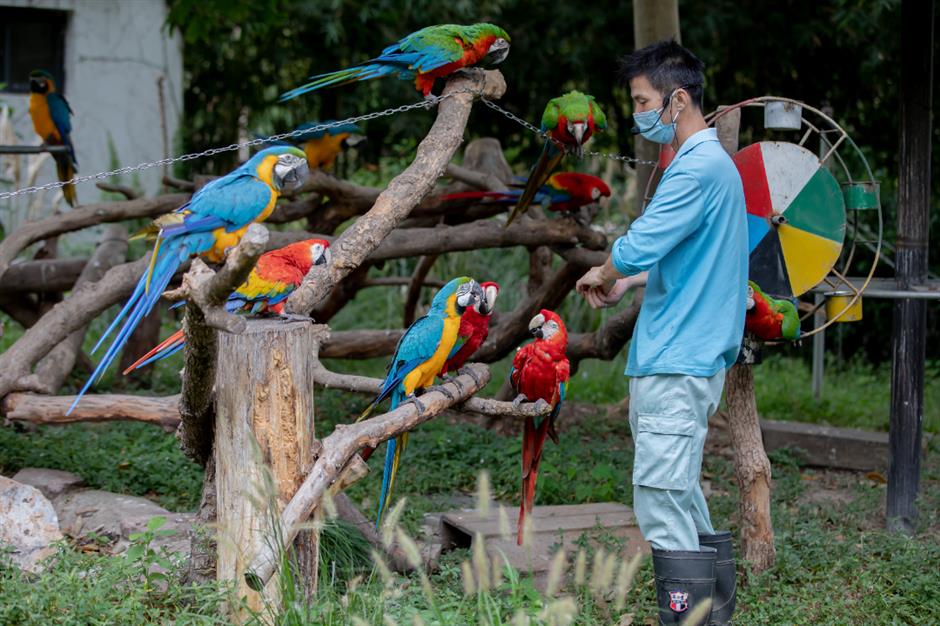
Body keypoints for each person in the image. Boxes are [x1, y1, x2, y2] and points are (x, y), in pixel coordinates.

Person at [575, 40, 747, 626]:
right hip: (688, 357)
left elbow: (642, 241)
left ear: (678, 99)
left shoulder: (695, 168)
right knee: (680, 493)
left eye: (644, 101)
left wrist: (606, 269)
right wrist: (630, 283)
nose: (638, 113)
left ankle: (690, 621)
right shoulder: (715, 166)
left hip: (677, 361)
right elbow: (689, 255)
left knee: (660, 497)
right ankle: (710, 615)